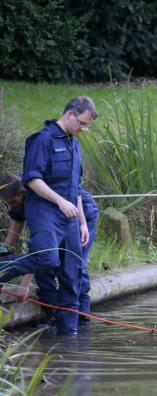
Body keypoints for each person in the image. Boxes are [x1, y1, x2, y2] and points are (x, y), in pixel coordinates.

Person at [0, 96, 97, 334]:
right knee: (47, 259)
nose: (83, 129)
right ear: (71, 114)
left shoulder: (74, 144)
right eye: (82, 123)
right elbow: (32, 179)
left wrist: (83, 223)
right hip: (45, 212)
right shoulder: (41, 139)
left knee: (71, 276)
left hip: (71, 218)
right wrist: (59, 201)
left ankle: (70, 339)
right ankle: (2, 270)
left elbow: (75, 189)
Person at [0, 175, 99, 326]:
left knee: (74, 265)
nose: (11, 206)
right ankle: (53, 314)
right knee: (46, 266)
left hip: (80, 214)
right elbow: (17, 222)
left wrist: (24, 284)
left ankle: (81, 317)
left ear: (23, 193)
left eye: (13, 202)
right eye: (8, 204)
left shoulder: (38, 200)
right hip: (56, 218)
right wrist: (4, 248)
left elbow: (37, 253)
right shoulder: (15, 196)